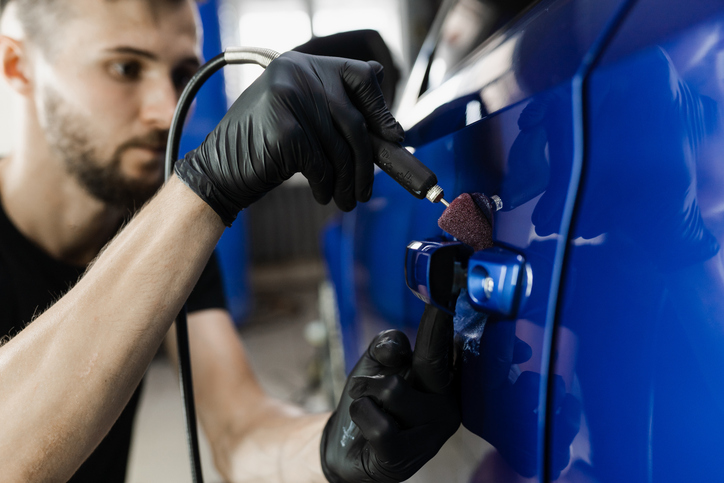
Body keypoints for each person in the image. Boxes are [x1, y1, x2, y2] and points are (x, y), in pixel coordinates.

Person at [0, 0, 461, 482]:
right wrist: (203, 189)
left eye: (183, 74)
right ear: (19, 66)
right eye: (125, 68)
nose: (165, 111)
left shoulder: (160, 241)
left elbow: (238, 433)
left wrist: (334, 446)